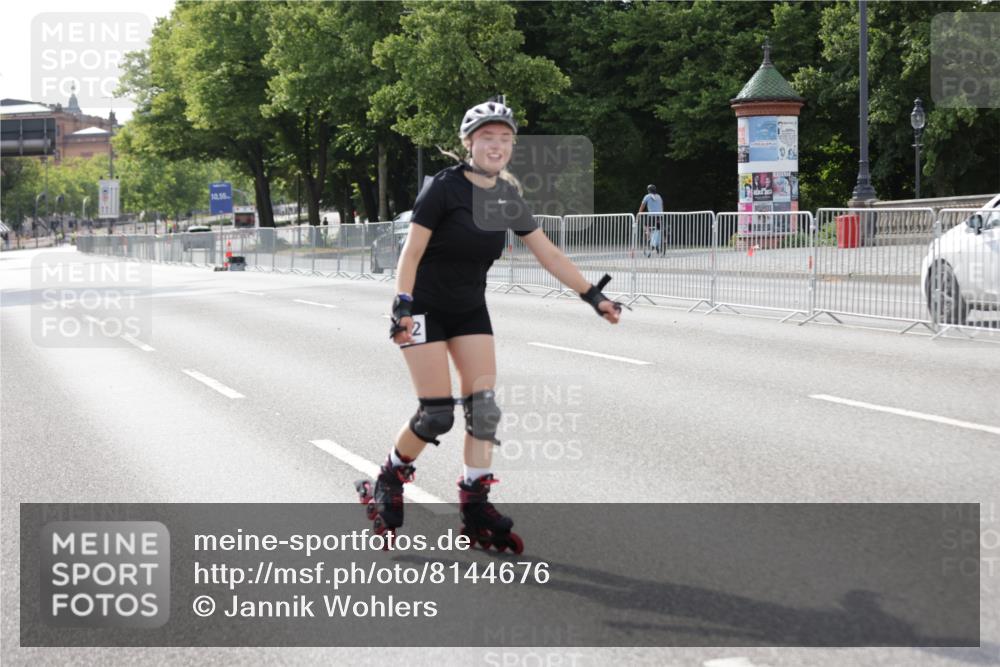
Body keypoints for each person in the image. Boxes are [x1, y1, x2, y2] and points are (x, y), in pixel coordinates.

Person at [358, 98, 625, 552]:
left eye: (504, 138)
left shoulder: (506, 197)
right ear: (469, 143)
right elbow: (412, 252)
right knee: (437, 414)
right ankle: (389, 477)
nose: (496, 145)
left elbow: (548, 253)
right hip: (422, 308)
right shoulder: (443, 188)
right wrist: (401, 304)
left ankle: (475, 502)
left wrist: (592, 295)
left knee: (483, 410)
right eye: (487, 137)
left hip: (468, 310)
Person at [638, 184, 665, 256]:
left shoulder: (647, 196)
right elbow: (662, 206)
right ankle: (656, 244)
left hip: (652, 217)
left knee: (645, 226)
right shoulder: (659, 196)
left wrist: (638, 214)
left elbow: (642, 206)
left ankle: (650, 239)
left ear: (648, 190)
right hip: (660, 217)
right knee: (658, 230)